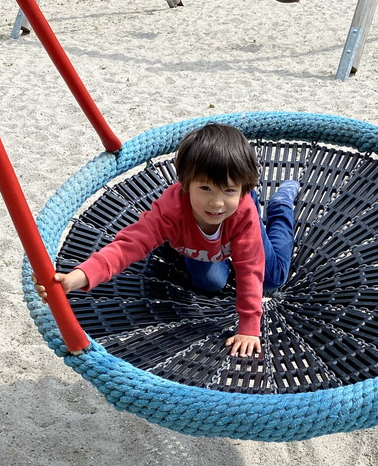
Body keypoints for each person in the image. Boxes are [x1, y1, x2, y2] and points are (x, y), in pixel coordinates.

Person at [36, 124, 299, 358]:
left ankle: (281, 206)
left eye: (229, 190)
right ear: (185, 184)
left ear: (243, 189)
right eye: (205, 188)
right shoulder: (169, 211)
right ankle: (189, 241)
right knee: (211, 284)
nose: (216, 203)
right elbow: (126, 246)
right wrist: (76, 278)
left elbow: (249, 268)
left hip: (241, 223)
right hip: (200, 238)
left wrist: (249, 328)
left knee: (272, 278)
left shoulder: (241, 211)